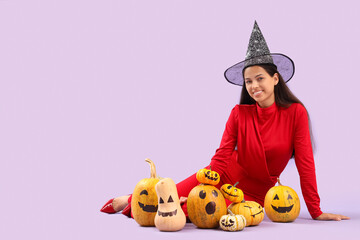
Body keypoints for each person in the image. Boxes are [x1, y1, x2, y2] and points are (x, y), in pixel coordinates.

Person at [100, 21, 349, 221]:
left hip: (253, 194)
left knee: (193, 215)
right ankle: (131, 199)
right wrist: (204, 186)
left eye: (259, 78)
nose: (253, 86)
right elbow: (220, 159)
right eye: (248, 81)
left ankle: (149, 204)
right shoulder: (239, 113)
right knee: (171, 196)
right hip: (221, 175)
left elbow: (305, 163)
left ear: (275, 79)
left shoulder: (296, 113)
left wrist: (315, 211)